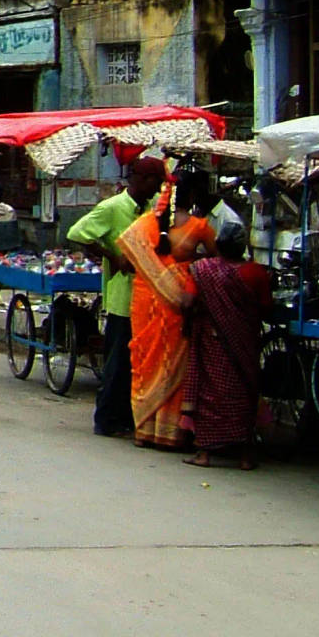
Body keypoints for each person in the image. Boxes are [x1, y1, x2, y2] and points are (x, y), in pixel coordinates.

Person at [67, 155, 168, 438]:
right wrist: (112, 256)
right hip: (123, 298)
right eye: (155, 183)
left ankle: (128, 416)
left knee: (138, 361)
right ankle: (106, 418)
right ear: (142, 180)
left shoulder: (152, 209)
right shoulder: (112, 208)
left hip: (147, 297)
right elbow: (77, 233)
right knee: (118, 361)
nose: (157, 189)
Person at [120, 168, 218, 449]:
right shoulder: (200, 227)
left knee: (144, 362)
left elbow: (127, 261)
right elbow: (217, 260)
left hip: (144, 303)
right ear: (194, 195)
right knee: (175, 368)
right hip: (179, 303)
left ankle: (144, 431)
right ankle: (170, 434)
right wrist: (189, 262)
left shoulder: (144, 223)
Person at [183, 225, 265, 470]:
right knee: (244, 394)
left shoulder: (203, 271)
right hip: (245, 343)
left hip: (213, 340)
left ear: (218, 246)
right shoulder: (256, 272)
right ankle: (245, 456)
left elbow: (186, 301)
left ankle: (204, 452)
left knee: (210, 393)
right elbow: (266, 307)